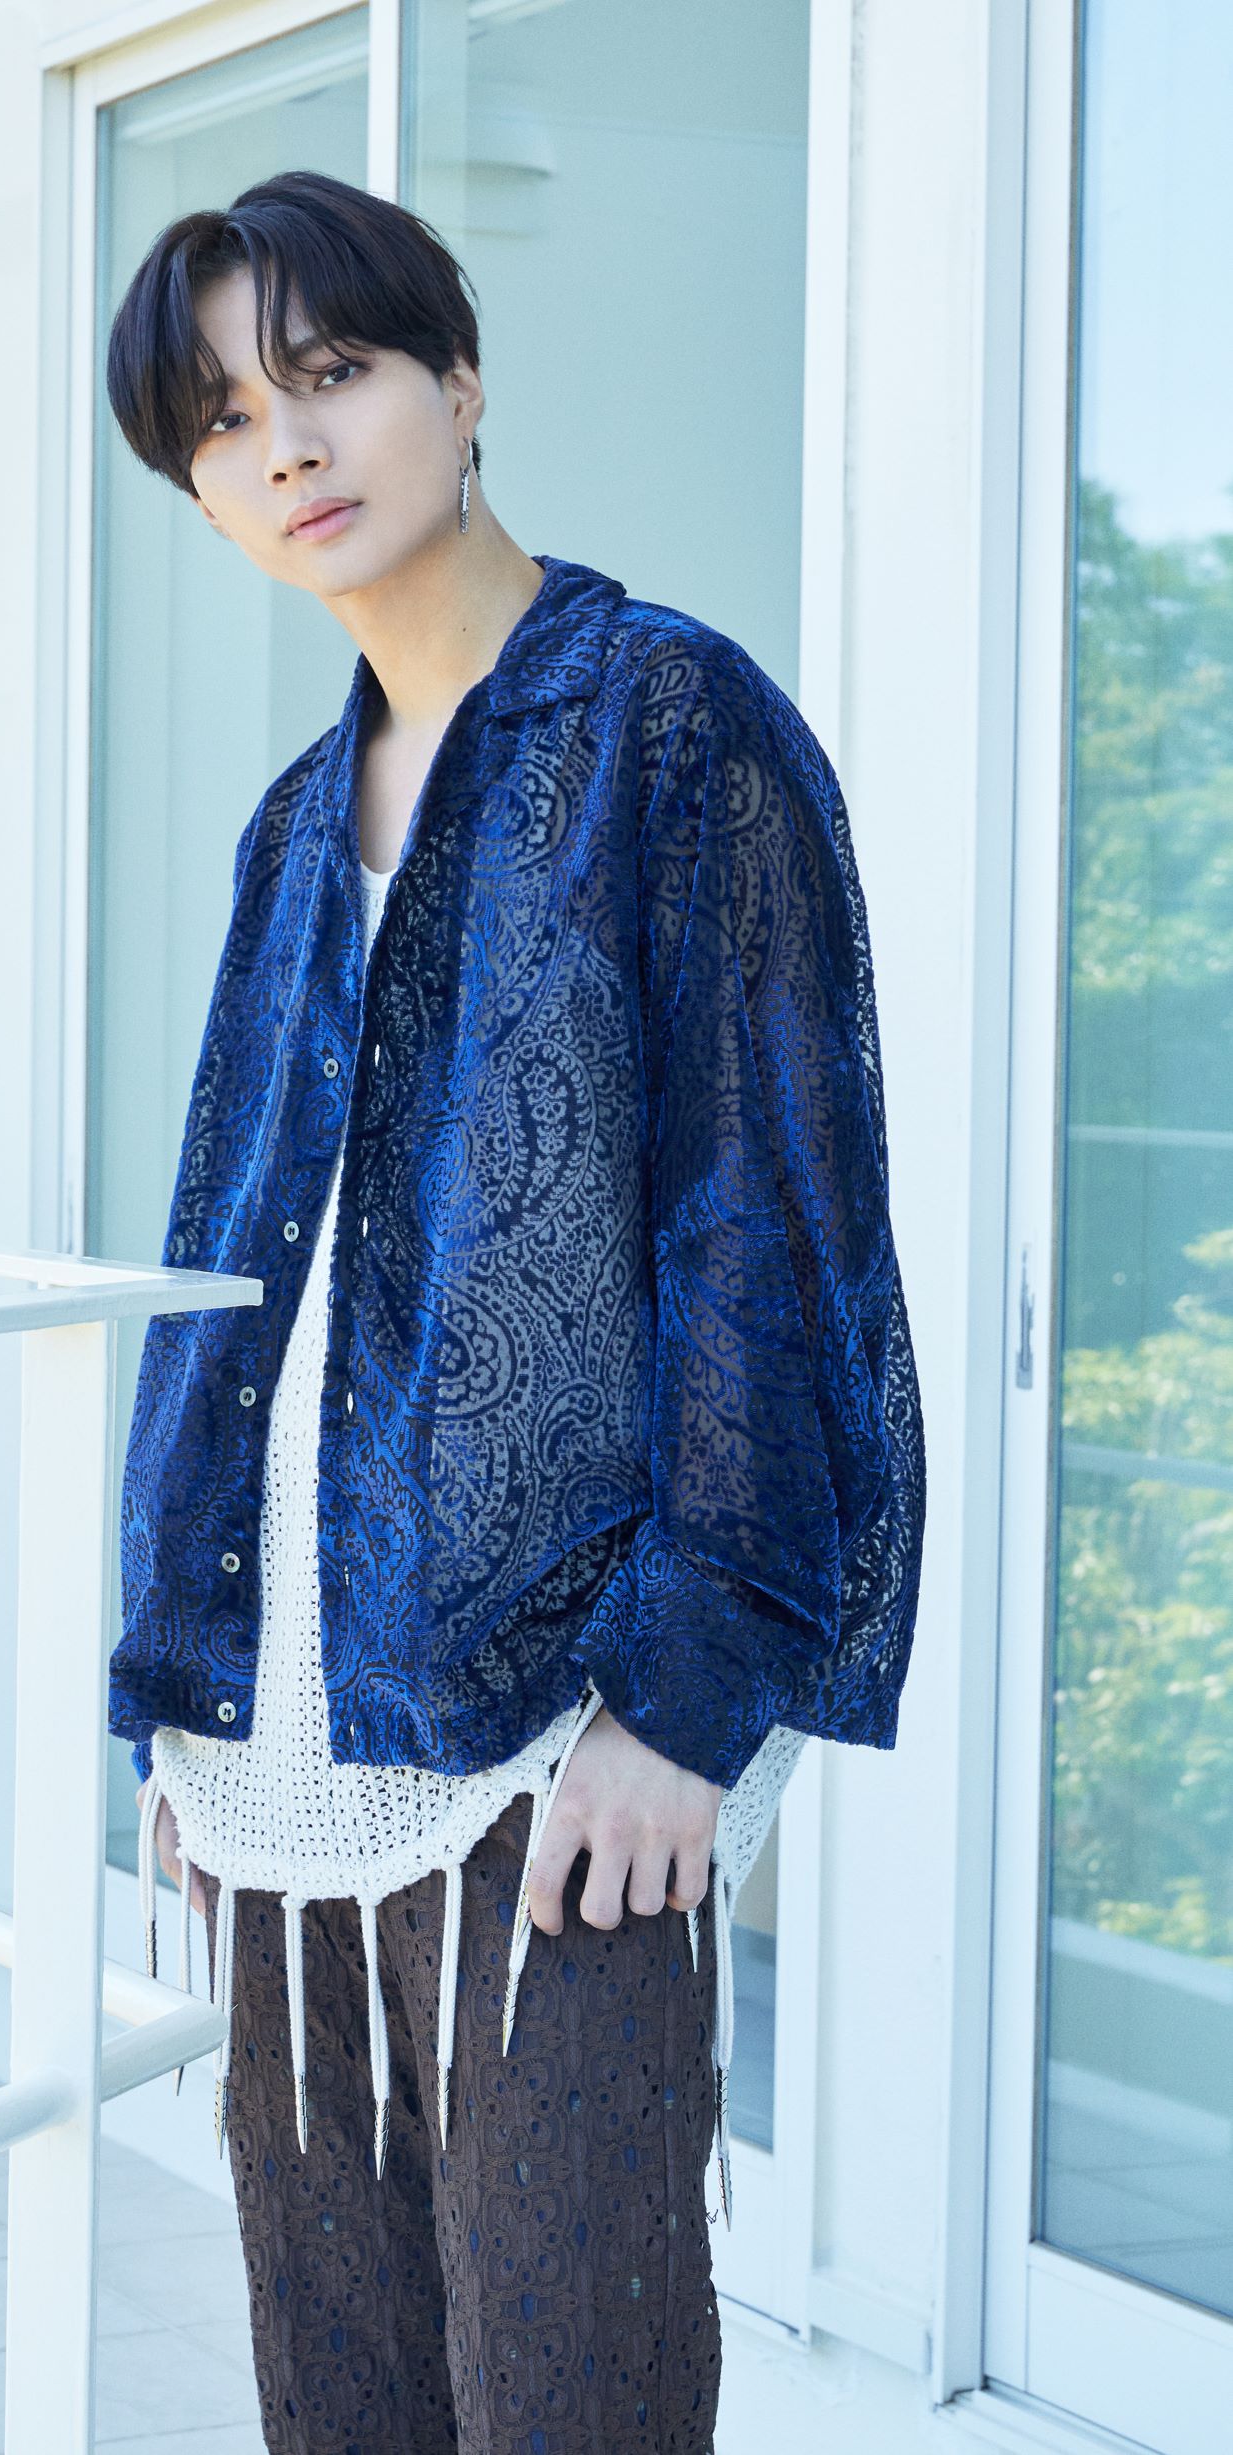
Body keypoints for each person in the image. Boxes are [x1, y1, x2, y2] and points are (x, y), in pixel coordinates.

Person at [104, 167, 926, 2455]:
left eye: (331, 370)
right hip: (273, 1756)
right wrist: (180, 1690)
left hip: (556, 1737)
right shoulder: (293, 827)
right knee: (338, 2390)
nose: (286, 443)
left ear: (459, 384)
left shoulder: (671, 727)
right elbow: (240, 1266)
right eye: (221, 419)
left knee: (571, 2384)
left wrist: (687, 1701)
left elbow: (773, 1234)